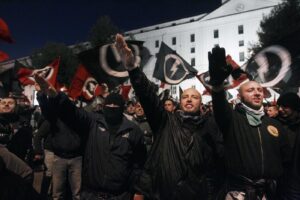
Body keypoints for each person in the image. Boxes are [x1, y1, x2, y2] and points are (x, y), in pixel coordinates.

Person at [115, 33, 224, 200]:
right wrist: (133, 69)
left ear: (201, 104)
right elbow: (148, 96)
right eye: (185, 97)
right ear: (179, 102)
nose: (189, 99)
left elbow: (215, 168)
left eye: (194, 97)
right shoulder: (166, 121)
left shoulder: (209, 127)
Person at [34, 73, 147, 200]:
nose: (112, 109)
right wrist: (56, 96)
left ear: (122, 109)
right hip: (91, 194)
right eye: (109, 106)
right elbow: (73, 113)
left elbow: (140, 164)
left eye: (116, 107)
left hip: (120, 195)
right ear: (104, 107)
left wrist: (139, 191)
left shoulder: (133, 130)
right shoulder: (93, 121)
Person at [208, 45, 291, 200]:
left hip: (270, 194)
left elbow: (286, 162)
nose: (257, 92)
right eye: (250, 90)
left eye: (259, 90)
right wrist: (217, 85)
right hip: (239, 193)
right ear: (240, 97)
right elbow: (219, 105)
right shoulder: (231, 119)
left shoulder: (275, 125)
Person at [277, 92, 300, 199]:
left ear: (294, 107)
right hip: (280, 178)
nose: (280, 109)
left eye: (285, 106)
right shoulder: (277, 124)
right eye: (279, 106)